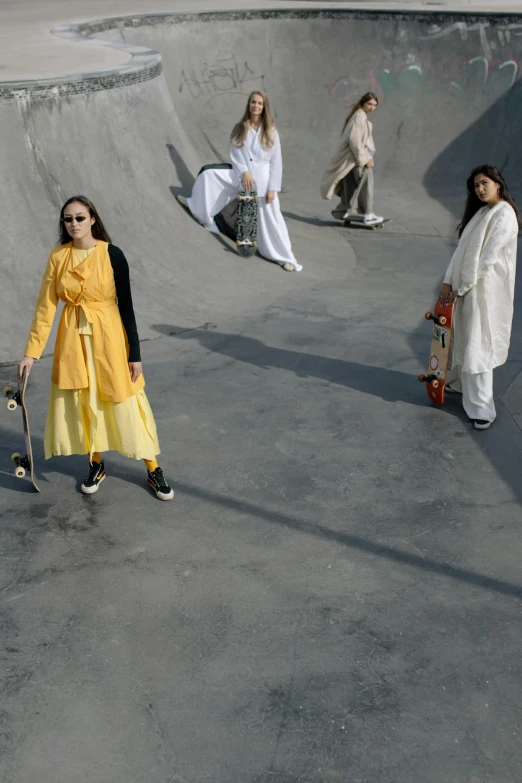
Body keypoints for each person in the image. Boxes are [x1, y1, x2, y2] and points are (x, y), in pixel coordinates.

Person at [18, 196, 174, 499]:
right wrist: (31, 352)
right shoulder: (57, 257)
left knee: (125, 401)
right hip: (72, 341)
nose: (74, 224)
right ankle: (96, 462)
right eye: (68, 219)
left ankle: (153, 468)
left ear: (92, 219)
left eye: (79, 217)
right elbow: (46, 306)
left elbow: (126, 307)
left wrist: (135, 354)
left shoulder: (112, 254)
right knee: (83, 402)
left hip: (110, 338)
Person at [177, 91, 302, 272]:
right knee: (209, 176)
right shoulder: (240, 127)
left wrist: (273, 188)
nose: (256, 106)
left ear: (264, 107)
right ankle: (195, 206)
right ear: (248, 105)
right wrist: (244, 172)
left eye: (259, 103)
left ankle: (284, 257)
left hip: (264, 179)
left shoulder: (271, 130)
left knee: (272, 219)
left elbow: (277, 161)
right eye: (253, 102)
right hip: (241, 175)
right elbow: (235, 153)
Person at [439, 164, 520, 429]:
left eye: (485, 183)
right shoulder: (481, 213)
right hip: (467, 288)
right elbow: (461, 251)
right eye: (476, 185)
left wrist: (462, 288)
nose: (480, 189)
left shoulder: (504, 214)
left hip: (485, 291)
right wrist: (448, 281)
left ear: (498, 183)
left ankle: (483, 409)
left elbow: (488, 258)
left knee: (479, 343)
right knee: (463, 337)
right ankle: (460, 384)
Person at [320, 91, 383, 226]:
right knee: (366, 182)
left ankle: (342, 211)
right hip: (355, 158)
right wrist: (366, 160)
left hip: (350, 159)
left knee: (350, 186)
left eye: (375, 105)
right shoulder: (359, 117)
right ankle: (368, 214)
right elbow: (354, 141)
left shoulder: (359, 116)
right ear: (362, 103)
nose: (372, 107)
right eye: (369, 104)